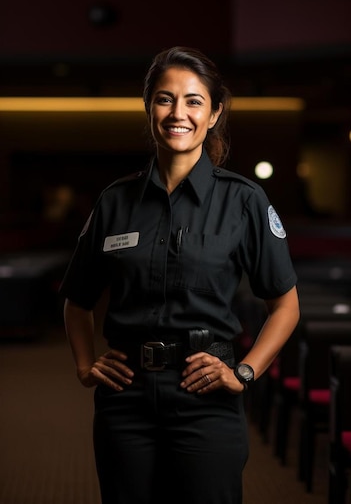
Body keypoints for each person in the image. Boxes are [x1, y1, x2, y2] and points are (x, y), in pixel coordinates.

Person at [60, 46, 300, 504]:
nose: (178, 113)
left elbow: (285, 305)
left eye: (194, 101)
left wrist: (245, 372)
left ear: (214, 115)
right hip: (125, 397)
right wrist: (84, 364)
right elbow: (77, 299)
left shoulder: (244, 201)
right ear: (149, 107)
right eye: (165, 98)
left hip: (206, 397)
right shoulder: (115, 201)